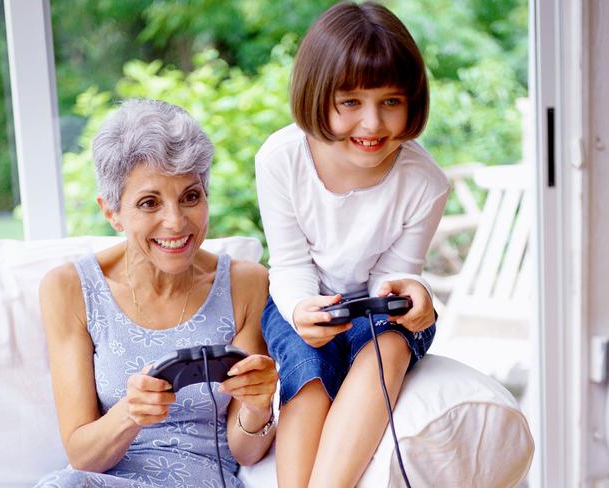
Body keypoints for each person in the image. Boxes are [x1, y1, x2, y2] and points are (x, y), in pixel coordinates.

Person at [255, 2, 451, 487]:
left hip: (377, 309)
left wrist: (414, 296)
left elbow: (398, 275)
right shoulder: (281, 159)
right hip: (303, 299)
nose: (372, 125)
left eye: (391, 101)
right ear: (316, 96)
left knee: (388, 343)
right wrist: (303, 308)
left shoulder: (425, 182)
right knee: (307, 364)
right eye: (351, 103)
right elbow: (290, 263)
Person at [35, 99, 277, 488]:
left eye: (191, 197)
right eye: (149, 202)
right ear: (111, 211)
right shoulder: (70, 289)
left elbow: (245, 452)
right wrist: (130, 412)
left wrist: (258, 403)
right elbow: (82, 456)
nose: (176, 222)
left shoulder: (245, 283)